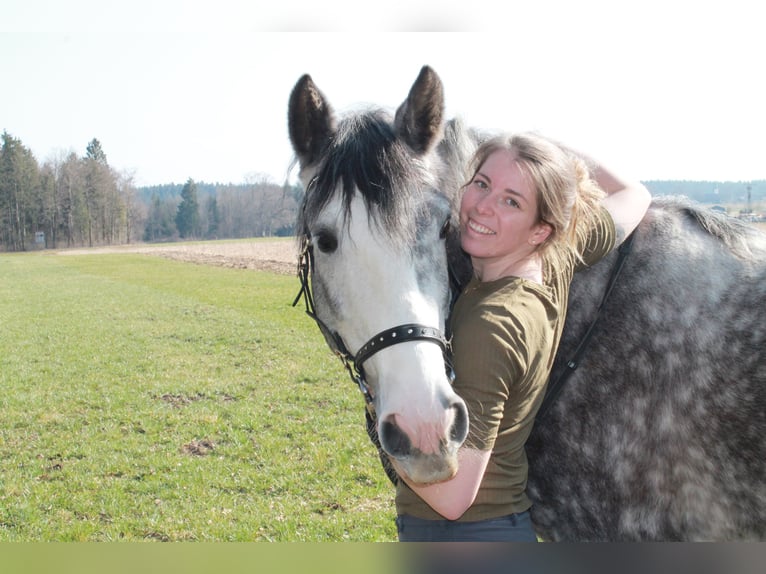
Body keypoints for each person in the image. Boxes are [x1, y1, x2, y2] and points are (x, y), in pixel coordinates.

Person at [393, 132, 652, 542]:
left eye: (511, 201)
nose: (482, 207)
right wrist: (549, 146)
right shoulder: (557, 256)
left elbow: (453, 497)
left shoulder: (490, 324)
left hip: (461, 533)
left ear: (539, 231)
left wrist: (386, 416)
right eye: (482, 183)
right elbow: (633, 194)